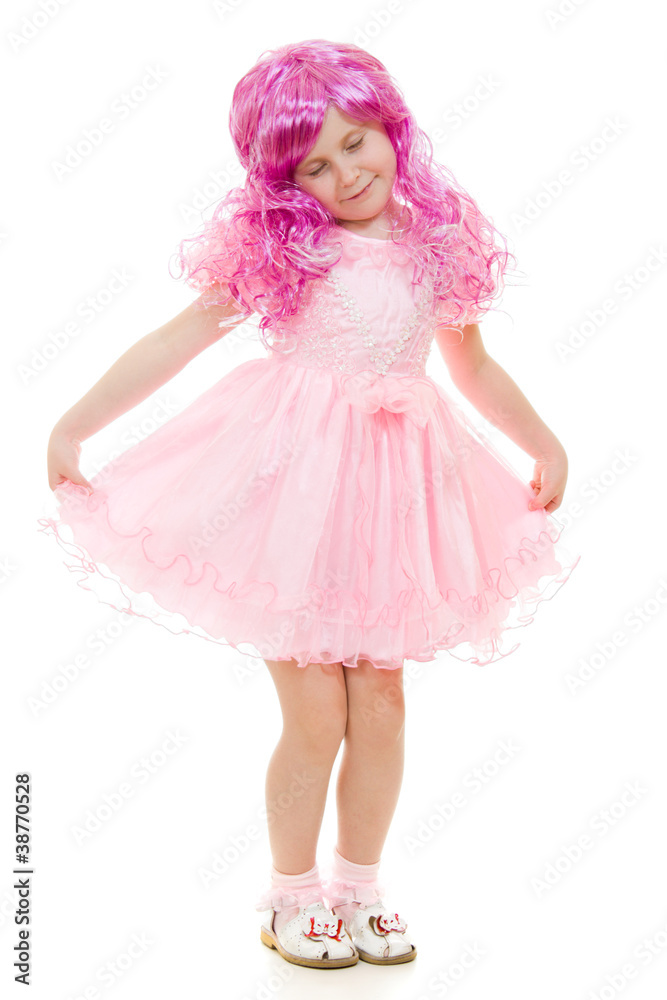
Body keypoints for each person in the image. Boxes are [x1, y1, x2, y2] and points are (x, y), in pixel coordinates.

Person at [38, 39, 580, 970]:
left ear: (389, 128)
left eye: (355, 144)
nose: (345, 174)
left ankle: (359, 887)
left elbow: (472, 366)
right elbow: (177, 339)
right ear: (285, 182)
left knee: (382, 705)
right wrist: (72, 425)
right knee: (316, 712)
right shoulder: (287, 248)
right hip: (289, 495)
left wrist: (543, 442)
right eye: (314, 166)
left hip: (396, 499)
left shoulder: (434, 241)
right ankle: (290, 895)